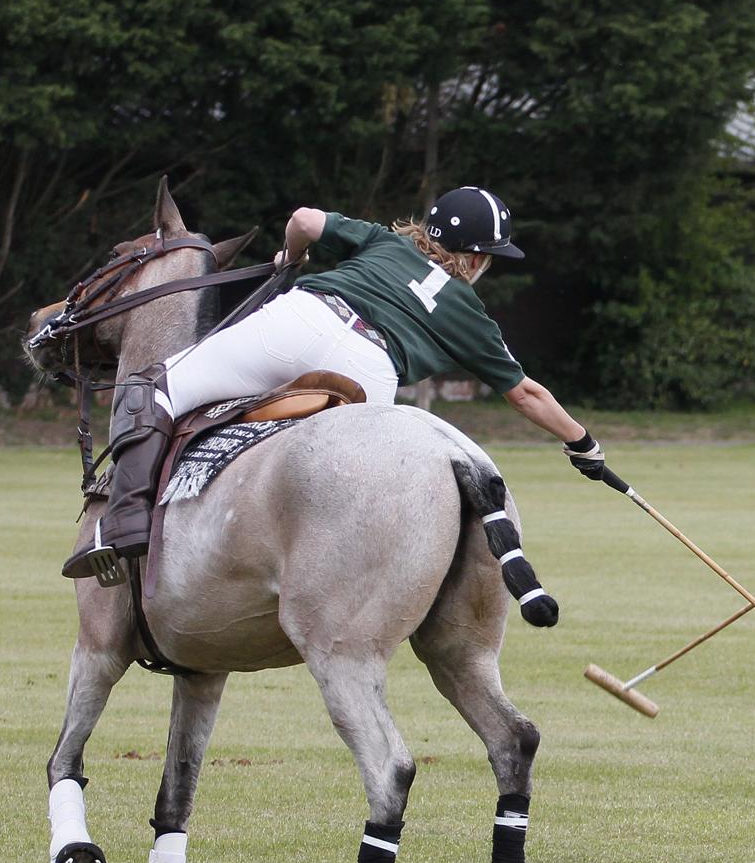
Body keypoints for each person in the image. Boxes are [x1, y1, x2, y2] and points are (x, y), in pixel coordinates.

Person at [63, 186, 608, 580]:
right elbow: (525, 393)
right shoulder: (468, 311)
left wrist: (292, 258)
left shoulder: (385, 244)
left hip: (303, 322)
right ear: (474, 257)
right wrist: (583, 443)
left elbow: (303, 216)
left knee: (158, 387)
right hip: (370, 370)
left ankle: (125, 521)